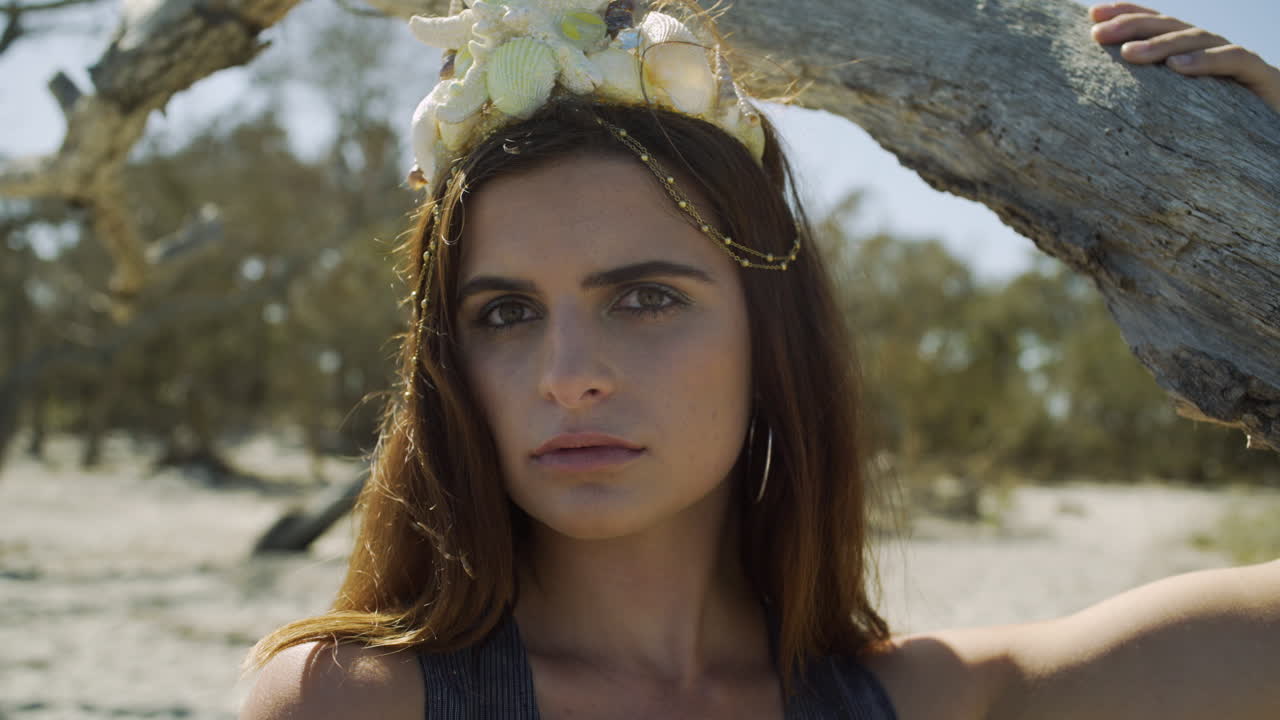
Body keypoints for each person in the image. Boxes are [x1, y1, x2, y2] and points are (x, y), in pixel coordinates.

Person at [240, 2, 1280, 718]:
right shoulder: (353, 701)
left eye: (644, 298)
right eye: (505, 313)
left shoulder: (918, 700)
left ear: (768, 333)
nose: (568, 373)